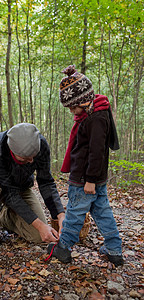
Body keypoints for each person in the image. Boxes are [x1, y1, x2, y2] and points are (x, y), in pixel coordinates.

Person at [46, 65, 124, 267]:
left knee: (75, 212)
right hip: (95, 178)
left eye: (73, 107)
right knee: (102, 211)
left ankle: (63, 247)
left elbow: (96, 152)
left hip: (85, 180)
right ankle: (114, 249)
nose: (72, 112)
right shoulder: (95, 112)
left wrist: (89, 180)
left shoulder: (95, 119)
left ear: (83, 100)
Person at [0, 123, 65, 247]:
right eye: (25, 159)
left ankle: (5, 217)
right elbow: (9, 194)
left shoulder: (41, 144)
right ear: (12, 151)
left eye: (34, 157)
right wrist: (40, 225)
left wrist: (60, 215)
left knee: (39, 236)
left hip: (22, 188)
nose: (31, 161)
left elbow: (46, 182)